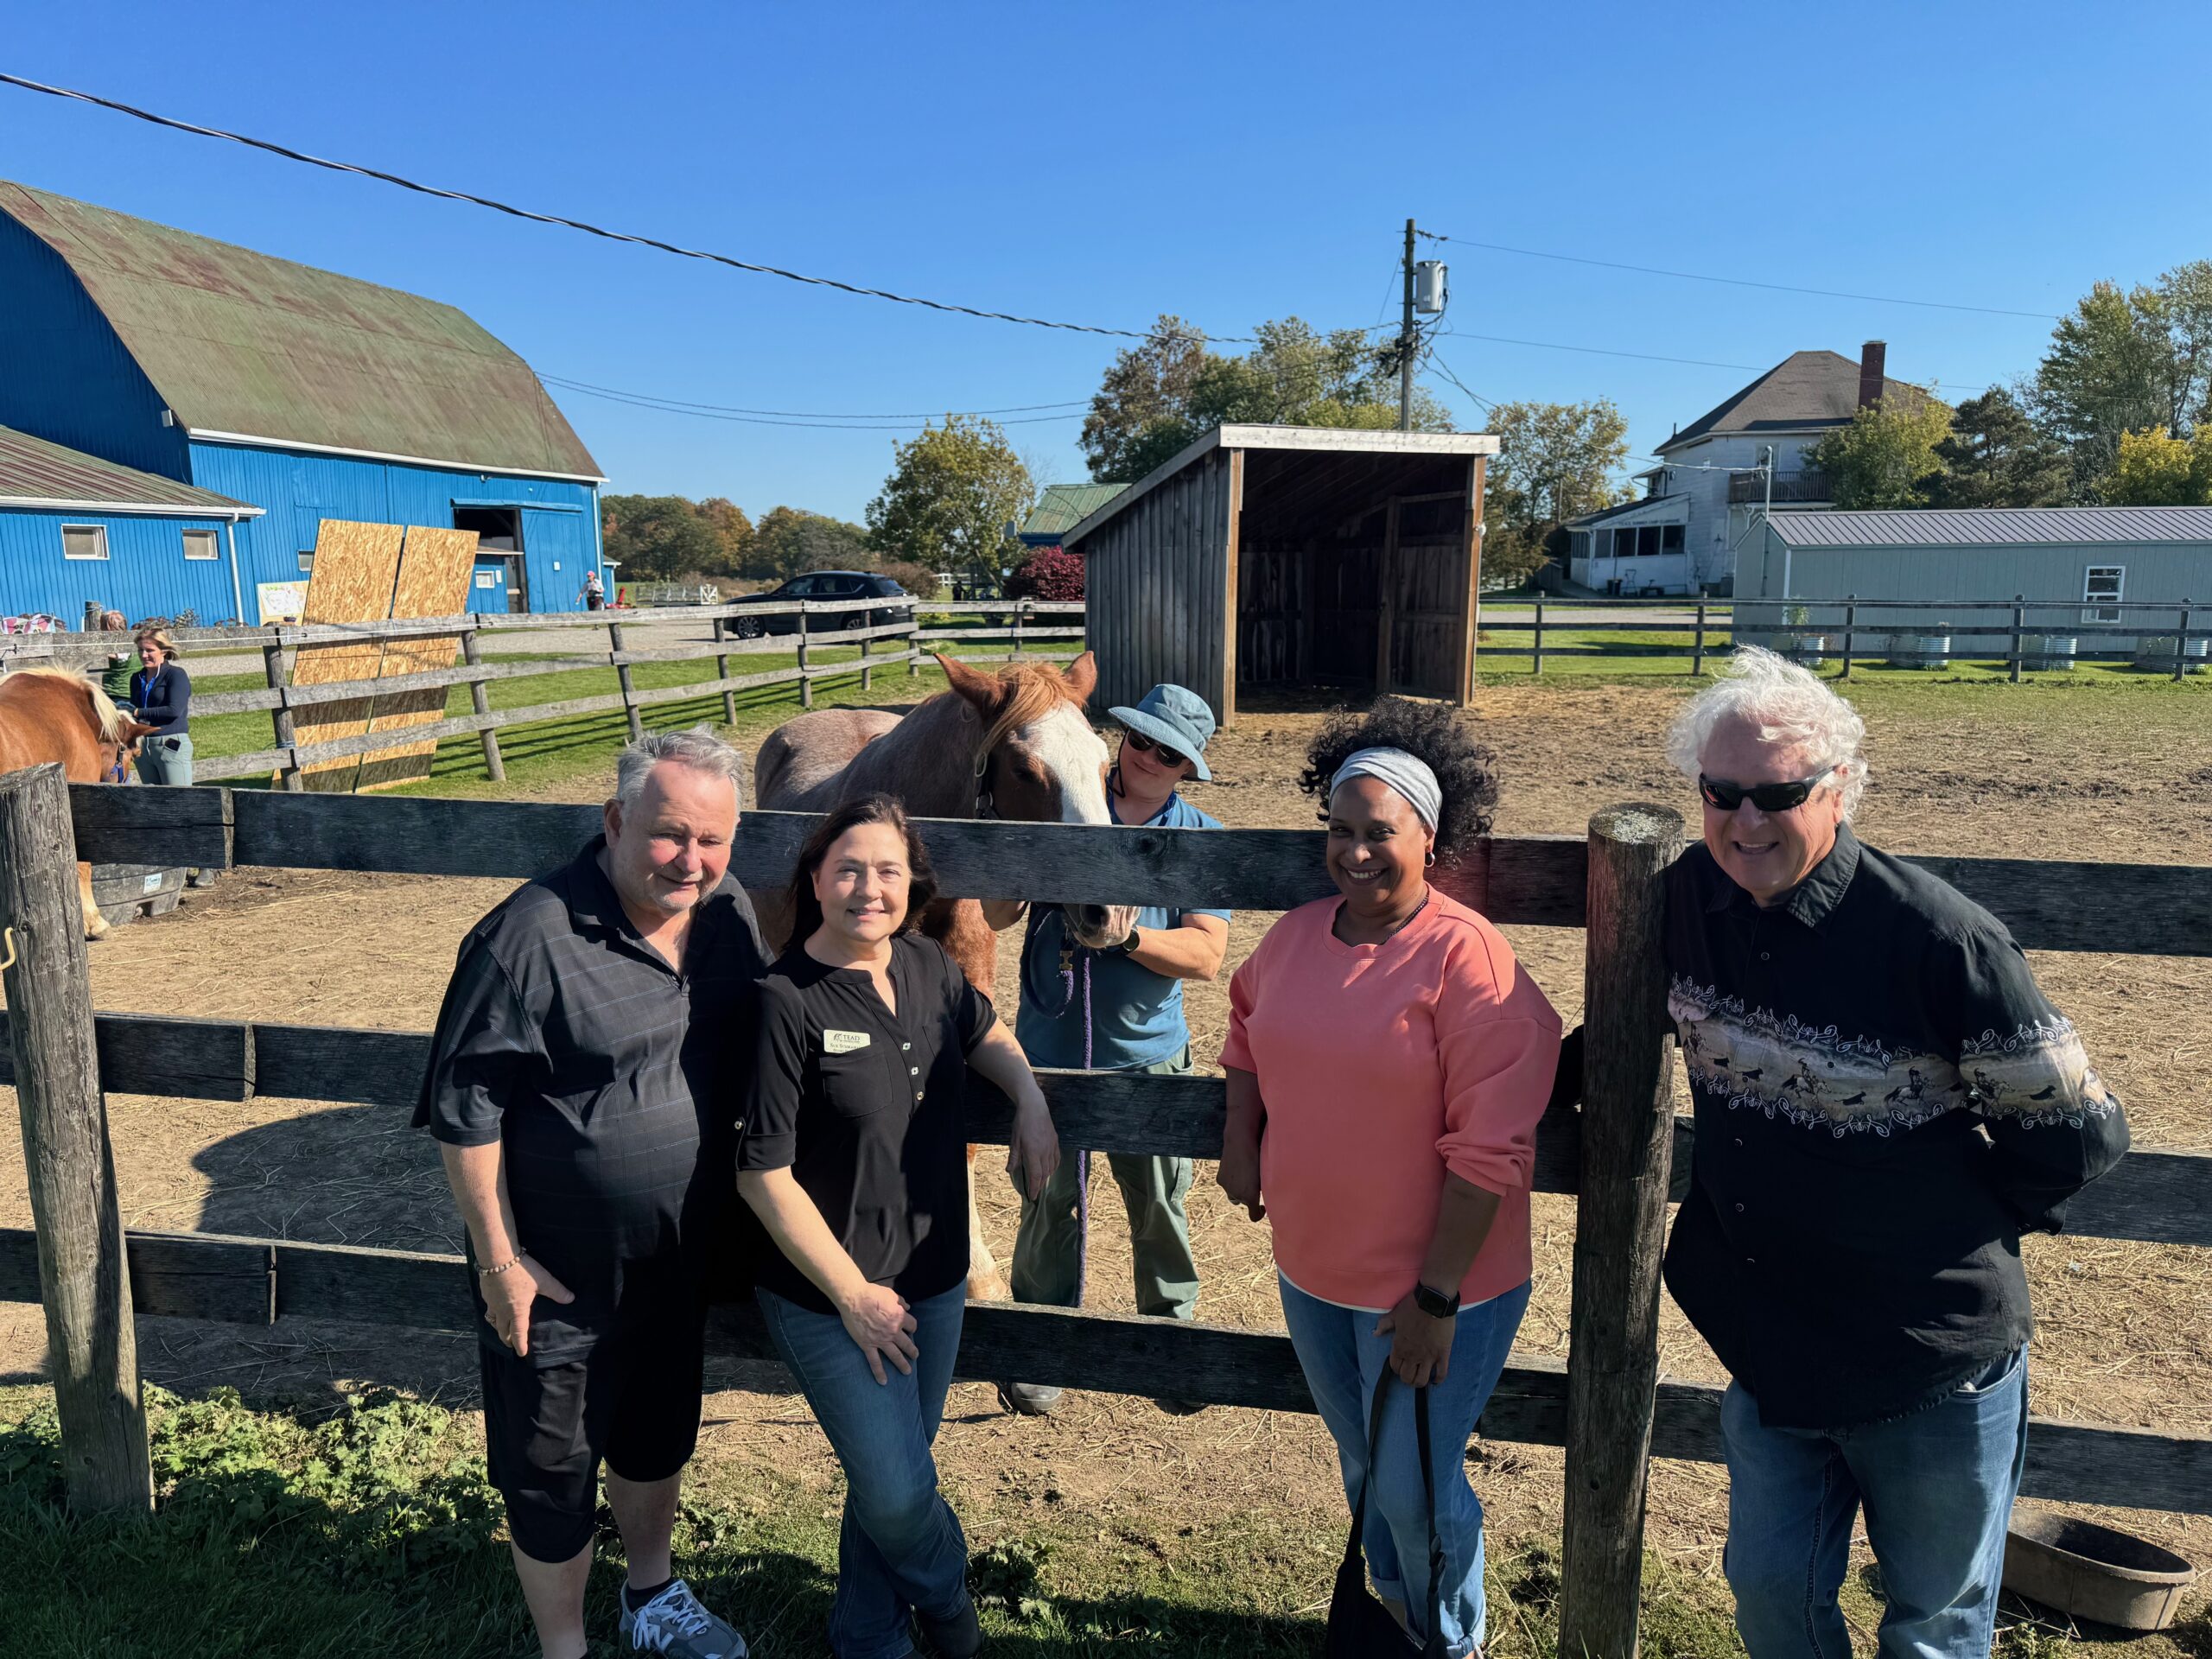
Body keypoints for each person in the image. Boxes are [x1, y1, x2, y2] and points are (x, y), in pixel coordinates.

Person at [1659, 646, 2130, 1659]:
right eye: (1722, 792)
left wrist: (1942, 1216)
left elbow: (2079, 1134)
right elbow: (1609, 1039)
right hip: (1770, 1336)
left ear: (1839, 791)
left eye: (1778, 794)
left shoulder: (1936, 940)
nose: (1745, 822)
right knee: (1770, 1599)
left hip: (1925, 1354)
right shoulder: (1688, 901)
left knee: (1931, 1626)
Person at [1217, 699, 1560, 1659]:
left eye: (1380, 832)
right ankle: (1397, 1622)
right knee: (1369, 1468)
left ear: (1431, 835)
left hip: (1433, 1285)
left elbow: (1490, 1149)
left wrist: (1437, 1297)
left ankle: (1449, 1640)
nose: (1354, 852)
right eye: (1338, 829)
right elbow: (1245, 1027)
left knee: (1413, 1486)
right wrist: (1241, 1140)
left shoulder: (1469, 962)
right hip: (1311, 1269)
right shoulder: (1294, 937)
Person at [416, 728, 768, 1659]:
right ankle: (563, 1644)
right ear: (615, 821)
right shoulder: (526, 936)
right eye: (669, 834)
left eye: (713, 839)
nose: (691, 860)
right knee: (550, 1464)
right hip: (557, 1273)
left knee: (657, 1435)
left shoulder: (730, 915)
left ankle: (649, 1596)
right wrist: (500, 1258)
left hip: (676, 1259)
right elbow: (465, 1107)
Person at [738, 794, 1059, 1659]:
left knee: (897, 1471)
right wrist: (851, 1296)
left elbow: (982, 1031)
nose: (866, 888)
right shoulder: (784, 999)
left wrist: (1028, 1098)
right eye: (846, 868)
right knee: (891, 1488)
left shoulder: (924, 964)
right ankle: (951, 1608)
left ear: (913, 883)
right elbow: (760, 1173)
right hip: (825, 1292)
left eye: (887, 870)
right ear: (814, 879)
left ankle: (867, 1636)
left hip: (936, 1273)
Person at [987, 683, 1230, 1417]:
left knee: (1158, 1202)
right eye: (1143, 741)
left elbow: (1207, 954)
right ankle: (1040, 1345)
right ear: (1121, 740)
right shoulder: (1062, 801)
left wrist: (1129, 937)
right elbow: (997, 913)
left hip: (1146, 1053)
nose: (1150, 758)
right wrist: (1031, 864)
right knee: (1047, 1200)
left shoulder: (1199, 835)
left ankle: (1169, 1342)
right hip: (1051, 1049)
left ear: (1187, 768)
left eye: (1171, 753)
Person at [129, 627, 192, 785]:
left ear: (163, 651)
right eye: (140, 650)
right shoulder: (136, 678)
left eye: (150, 650)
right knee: (155, 802)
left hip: (169, 744)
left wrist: (137, 712)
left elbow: (174, 710)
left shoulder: (175, 675)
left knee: (179, 800)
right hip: (143, 746)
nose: (144, 655)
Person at [97, 611, 134, 708]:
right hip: (117, 693)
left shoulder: (122, 643)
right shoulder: (131, 640)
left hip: (119, 693)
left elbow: (122, 657)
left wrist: (100, 652)